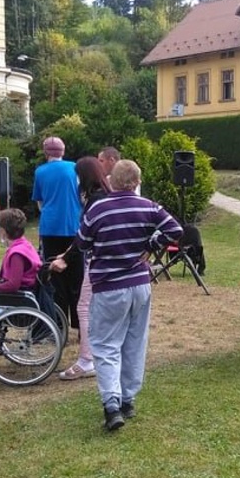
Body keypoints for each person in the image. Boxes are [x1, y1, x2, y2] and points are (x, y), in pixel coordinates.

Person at [74, 159, 183, 431]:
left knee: (105, 345)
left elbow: (82, 243)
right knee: (135, 342)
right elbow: (176, 230)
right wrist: (151, 244)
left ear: (112, 181)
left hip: (109, 285)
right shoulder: (148, 206)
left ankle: (111, 404)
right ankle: (128, 399)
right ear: (136, 182)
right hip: (140, 283)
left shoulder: (98, 208)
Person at [55, 156, 111, 381]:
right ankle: (98, 354)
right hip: (103, 260)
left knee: (84, 307)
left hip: (97, 261)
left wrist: (66, 258)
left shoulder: (95, 200)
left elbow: (84, 236)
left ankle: (87, 360)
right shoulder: (104, 196)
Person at [32, 136, 83, 336]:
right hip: (73, 225)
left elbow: (40, 202)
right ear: (63, 151)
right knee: (77, 276)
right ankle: (80, 324)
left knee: (55, 277)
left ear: (46, 152)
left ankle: (59, 325)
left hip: (50, 227)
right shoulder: (75, 168)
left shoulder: (40, 171)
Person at [0, 208, 42, 300]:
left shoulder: (17, 254)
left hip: (19, 298)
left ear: (3, 230)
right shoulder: (25, 245)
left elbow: (13, 285)